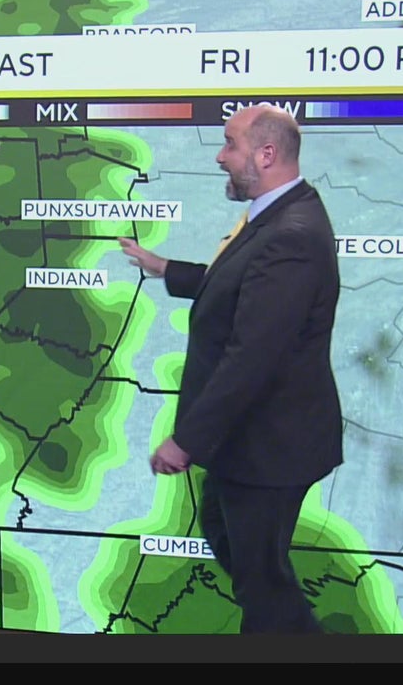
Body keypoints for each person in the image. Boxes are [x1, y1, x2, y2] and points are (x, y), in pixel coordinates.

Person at [118, 104, 342, 634]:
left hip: (269, 448)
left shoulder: (290, 234)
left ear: (266, 154)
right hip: (252, 444)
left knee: (262, 586)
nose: (220, 157)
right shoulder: (278, 216)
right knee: (233, 543)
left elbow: (252, 356)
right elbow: (242, 288)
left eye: (230, 144)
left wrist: (186, 441)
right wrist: (166, 268)